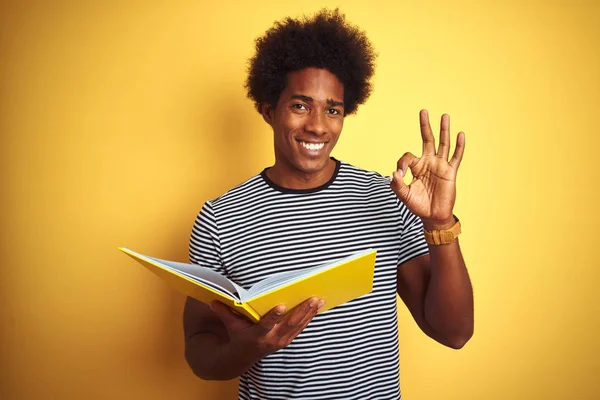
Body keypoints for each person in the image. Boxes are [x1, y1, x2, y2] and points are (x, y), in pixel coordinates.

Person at [183, 8, 474, 400]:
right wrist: (250, 348)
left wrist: (440, 224)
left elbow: (453, 333)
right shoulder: (220, 217)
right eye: (301, 105)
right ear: (269, 110)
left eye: (332, 110)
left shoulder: (386, 198)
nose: (318, 125)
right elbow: (199, 350)